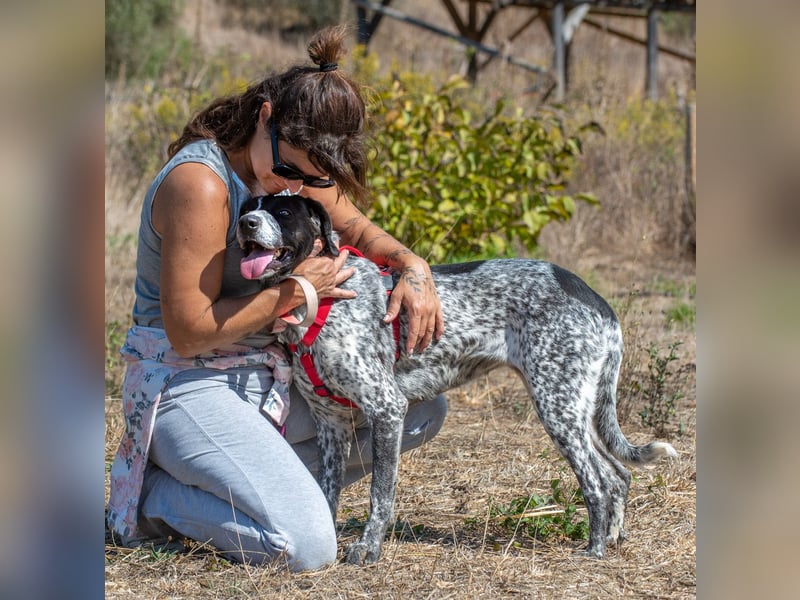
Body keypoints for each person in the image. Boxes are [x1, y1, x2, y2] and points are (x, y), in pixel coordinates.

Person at [106, 25, 447, 572]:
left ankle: (239, 487)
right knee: (307, 547)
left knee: (419, 407)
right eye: (289, 170)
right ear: (264, 116)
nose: (296, 186)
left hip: (266, 377)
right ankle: (156, 502)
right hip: (188, 383)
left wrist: (413, 265)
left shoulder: (293, 168)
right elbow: (189, 332)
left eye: (312, 179)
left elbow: (356, 228)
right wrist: (299, 291)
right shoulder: (201, 183)